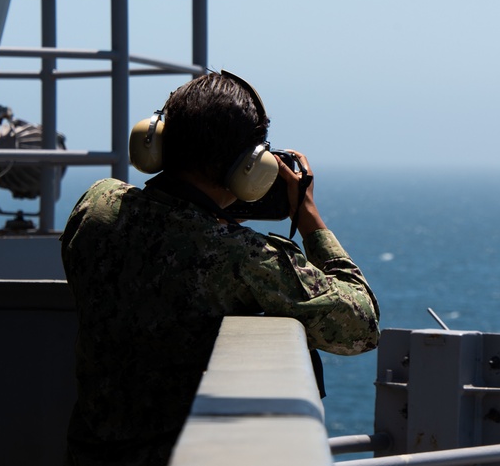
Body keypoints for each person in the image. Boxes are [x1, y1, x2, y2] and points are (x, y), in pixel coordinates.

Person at [60, 71, 380, 465]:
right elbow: (361, 327)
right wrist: (307, 213)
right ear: (252, 167)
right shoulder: (239, 255)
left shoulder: (96, 205)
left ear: (155, 139)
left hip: (87, 453)